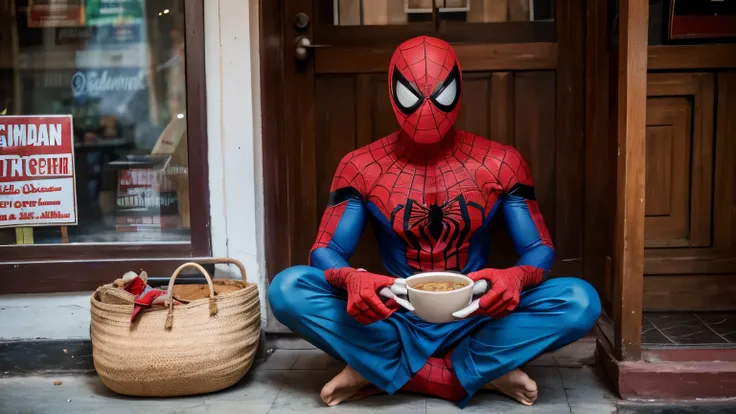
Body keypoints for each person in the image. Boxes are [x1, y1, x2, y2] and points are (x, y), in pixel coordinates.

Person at [268, 35, 600, 408]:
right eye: (412, 96)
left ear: (458, 88)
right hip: (396, 312)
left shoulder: (501, 162)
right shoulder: (360, 166)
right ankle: (478, 374)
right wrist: (353, 278)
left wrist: (515, 277)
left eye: (440, 94)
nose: (427, 110)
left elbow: (537, 247)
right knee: (288, 289)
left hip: (477, 311)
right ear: (393, 92)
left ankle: (376, 369)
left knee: (579, 300)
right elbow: (325, 251)